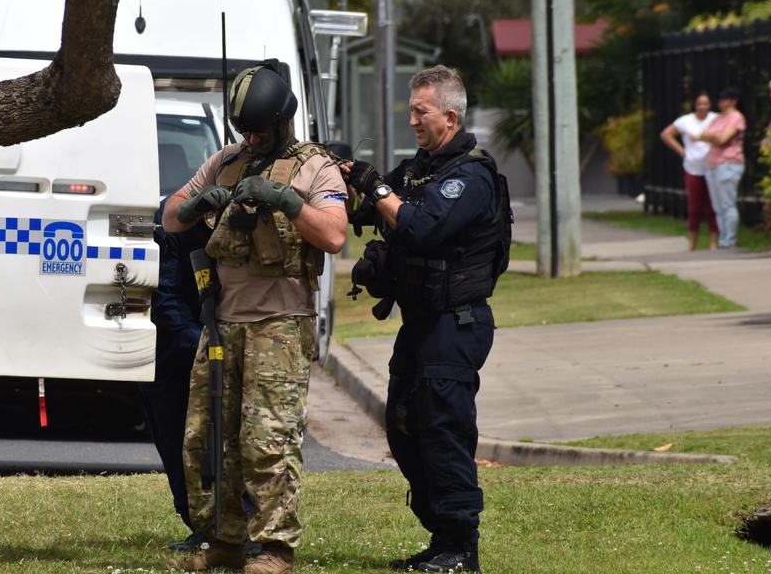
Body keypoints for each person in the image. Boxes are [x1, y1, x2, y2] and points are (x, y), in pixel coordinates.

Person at [162, 61, 347, 574]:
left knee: (267, 440)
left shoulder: (317, 167)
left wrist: (287, 201)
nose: (253, 137)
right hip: (222, 323)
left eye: (260, 129)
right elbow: (170, 216)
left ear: (284, 120)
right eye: (246, 128)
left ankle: (274, 550)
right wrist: (199, 201)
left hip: (280, 325)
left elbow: (334, 235)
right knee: (209, 437)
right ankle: (223, 540)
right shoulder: (226, 160)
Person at [341, 65, 510, 574]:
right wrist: (342, 173)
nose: (413, 119)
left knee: (444, 430)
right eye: (411, 109)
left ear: (451, 116)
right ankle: (441, 538)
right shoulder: (421, 168)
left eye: (422, 111)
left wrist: (377, 187)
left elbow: (418, 226)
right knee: (404, 426)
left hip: (454, 325)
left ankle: (463, 548)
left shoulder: (471, 177)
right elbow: (368, 209)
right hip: (419, 326)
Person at [139, 201, 209, 554]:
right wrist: (201, 345)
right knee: (175, 437)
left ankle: (242, 523)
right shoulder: (176, 215)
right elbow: (163, 294)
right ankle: (199, 522)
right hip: (179, 349)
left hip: (235, 344)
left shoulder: (255, 212)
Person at [659, 92, 719, 250]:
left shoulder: (715, 119)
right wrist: (682, 151)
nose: (703, 107)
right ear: (695, 105)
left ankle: (714, 242)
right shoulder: (685, 121)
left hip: (712, 167)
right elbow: (666, 134)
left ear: (710, 105)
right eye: (700, 103)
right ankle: (692, 242)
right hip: (693, 167)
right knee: (694, 208)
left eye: (706, 104)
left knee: (712, 207)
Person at [700, 87, 747, 249]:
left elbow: (723, 139)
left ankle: (731, 239)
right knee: (717, 206)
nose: (721, 103)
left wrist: (713, 137)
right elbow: (702, 135)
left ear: (733, 101)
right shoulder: (718, 118)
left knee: (727, 204)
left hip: (728, 163)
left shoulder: (736, 117)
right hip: (713, 163)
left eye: (724, 99)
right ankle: (723, 239)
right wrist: (715, 136)